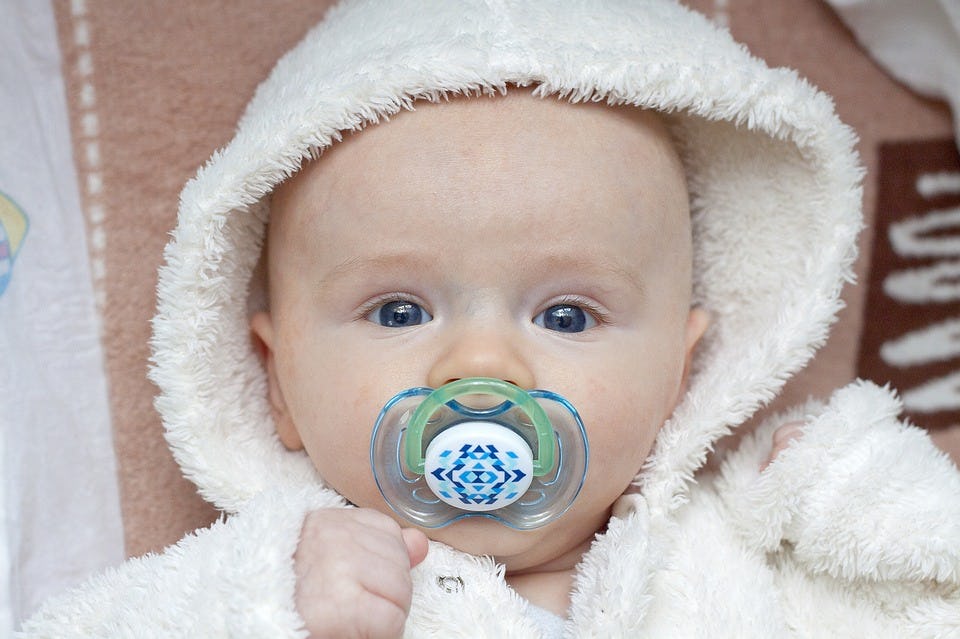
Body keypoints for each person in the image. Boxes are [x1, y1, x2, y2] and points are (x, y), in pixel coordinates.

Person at [20, 0, 960, 637]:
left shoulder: (740, 550)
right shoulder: (289, 578)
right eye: (397, 308)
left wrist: (846, 486)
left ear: (680, 375)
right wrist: (264, 603)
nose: (483, 363)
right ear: (278, 381)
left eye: (566, 313)